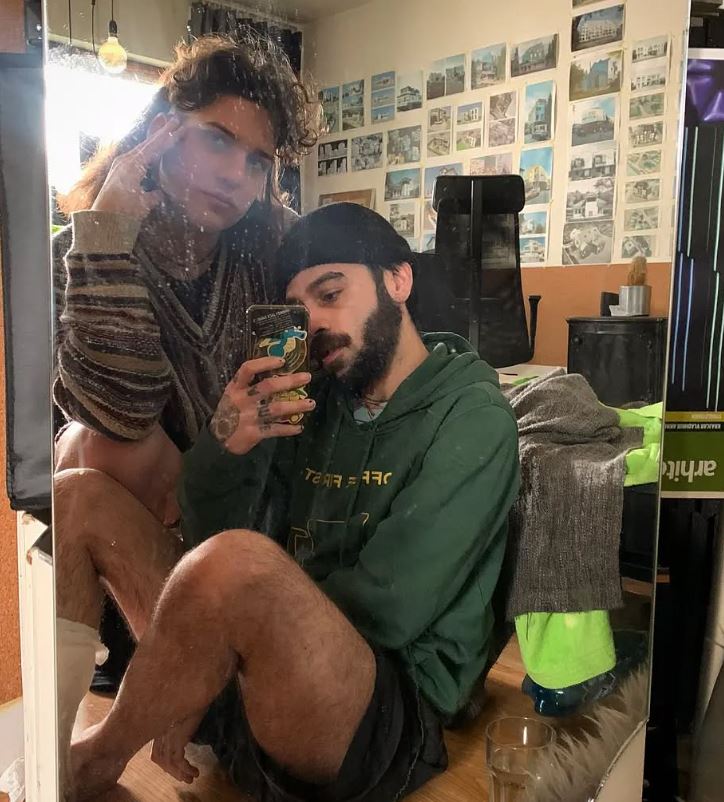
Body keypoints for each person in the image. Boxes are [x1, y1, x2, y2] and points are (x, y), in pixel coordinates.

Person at [63, 203, 520, 801]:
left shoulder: (474, 416)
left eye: (331, 294)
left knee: (239, 564)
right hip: (258, 671)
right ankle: (54, 731)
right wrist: (227, 444)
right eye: (299, 310)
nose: (315, 324)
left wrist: (217, 643)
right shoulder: (312, 401)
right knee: (78, 497)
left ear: (398, 280)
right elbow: (203, 535)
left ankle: (96, 758)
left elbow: (391, 608)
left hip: (380, 709)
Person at [52, 31, 317, 777]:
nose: (235, 174)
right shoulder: (89, 241)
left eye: (257, 160)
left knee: (84, 454)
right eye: (217, 139)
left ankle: (179, 695)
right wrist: (107, 234)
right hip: (161, 545)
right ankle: (51, 751)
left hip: (257, 531)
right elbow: (119, 409)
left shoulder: (273, 251)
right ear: (161, 133)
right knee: (83, 455)